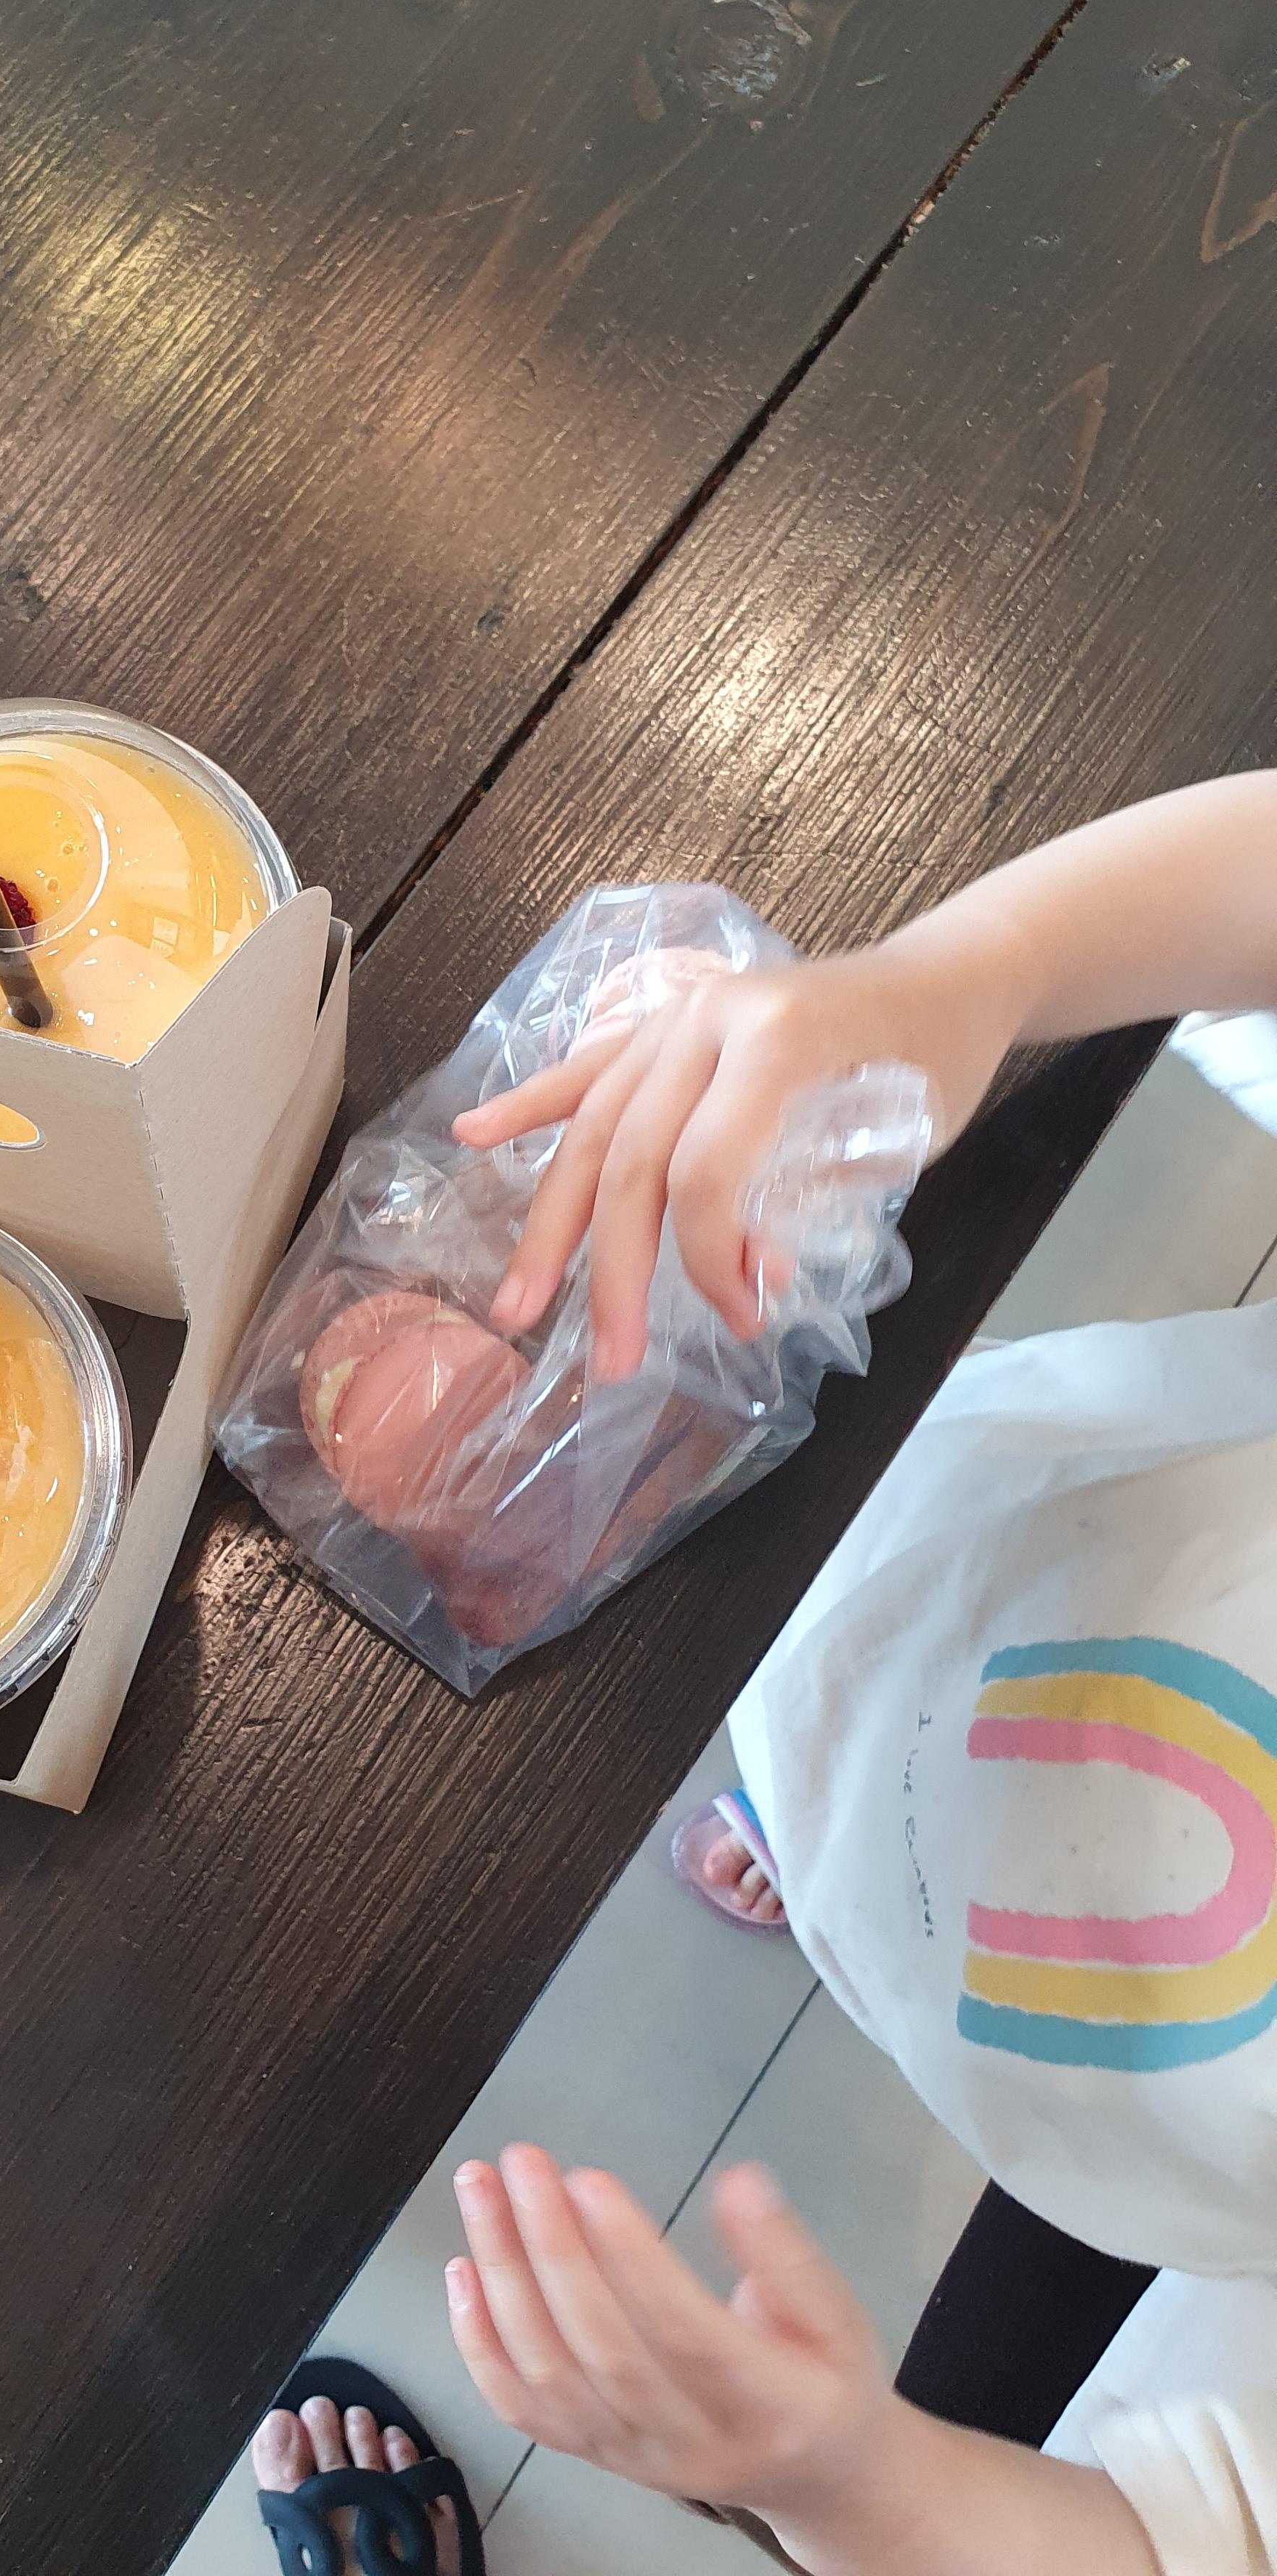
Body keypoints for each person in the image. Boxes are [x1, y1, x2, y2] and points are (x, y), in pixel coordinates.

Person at [253, 776, 1277, 2573]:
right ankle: (819, 1822)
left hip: (1159, 2128)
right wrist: (975, 968)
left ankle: (856, 1841)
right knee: (886, 1705)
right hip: (1046, 1592)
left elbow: (1184, 2535)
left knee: (996, 2354)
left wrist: (850, 2482)